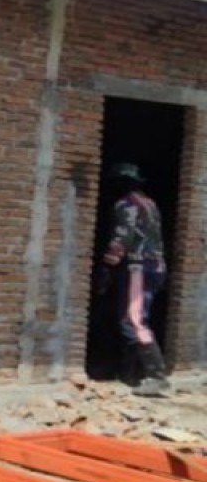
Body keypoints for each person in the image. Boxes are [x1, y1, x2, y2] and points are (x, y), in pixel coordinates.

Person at [99, 162, 170, 397]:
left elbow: (123, 237)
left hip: (138, 268)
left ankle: (155, 375)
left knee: (134, 320)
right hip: (154, 267)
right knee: (132, 319)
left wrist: (108, 265)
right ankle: (129, 373)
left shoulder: (126, 204)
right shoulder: (150, 204)